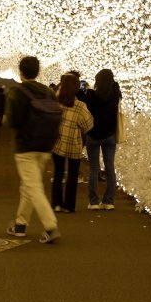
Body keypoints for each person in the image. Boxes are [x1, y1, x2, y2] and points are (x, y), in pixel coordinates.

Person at [5, 56, 61, 243]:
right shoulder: (48, 92)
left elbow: (12, 121)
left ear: (20, 72)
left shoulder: (17, 92)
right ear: (38, 71)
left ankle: (50, 226)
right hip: (45, 146)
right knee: (29, 186)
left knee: (33, 187)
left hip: (25, 147)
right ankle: (20, 224)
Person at [51, 74, 94, 213]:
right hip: (74, 144)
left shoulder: (56, 103)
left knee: (58, 173)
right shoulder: (80, 106)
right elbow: (88, 125)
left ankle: (56, 204)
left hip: (57, 143)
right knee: (72, 175)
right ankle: (69, 206)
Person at [80, 69, 122, 210]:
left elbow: (80, 97)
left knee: (94, 169)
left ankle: (93, 202)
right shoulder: (115, 95)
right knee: (110, 168)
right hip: (109, 135)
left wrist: (82, 87)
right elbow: (116, 89)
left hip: (93, 135)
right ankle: (109, 201)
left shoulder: (91, 95)